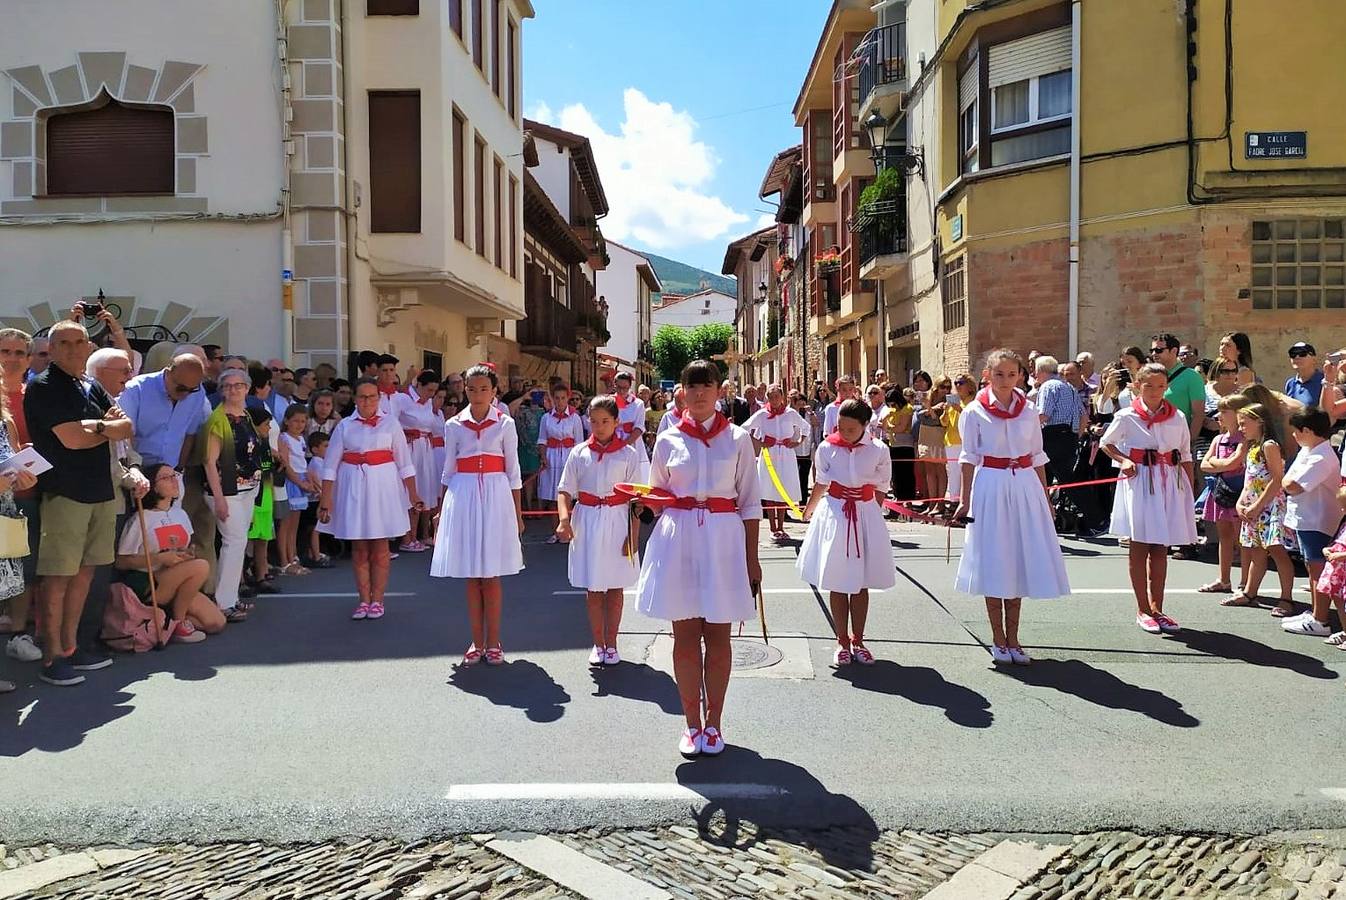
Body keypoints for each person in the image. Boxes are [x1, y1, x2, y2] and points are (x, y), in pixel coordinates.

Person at [635, 359, 761, 757]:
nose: (700, 393)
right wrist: (642, 507)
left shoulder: (739, 439)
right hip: (679, 539)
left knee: (719, 636)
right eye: (693, 387)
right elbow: (656, 493)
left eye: (707, 386)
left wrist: (752, 559)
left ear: (720, 390)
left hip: (724, 539)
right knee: (685, 637)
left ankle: (715, 723)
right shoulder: (668, 439)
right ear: (683, 394)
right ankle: (691, 724)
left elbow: (750, 503)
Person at [24, 321, 134, 685]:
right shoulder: (43, 387)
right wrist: (103, 427)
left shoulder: (91, 384)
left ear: (88, 346)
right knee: (57, 578)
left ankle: (71, 648)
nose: (72, 349)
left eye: (78, 342)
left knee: (86, 573)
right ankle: (53, 656)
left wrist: (96, 427)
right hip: (63, 492)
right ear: (51, 349)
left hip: (101, 491)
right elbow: (70, 440)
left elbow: (126, 427)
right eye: (63, 343)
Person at [951, 348, 1070, 666]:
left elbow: (1037, 457)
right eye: (999, 374)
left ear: (1021, 375)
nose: (1005, 380)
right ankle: (997, 639)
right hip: (990, 485)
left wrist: (1045, 498)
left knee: (1016, 558)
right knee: (995, 559)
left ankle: (1014, 640)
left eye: (1012, 374)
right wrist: (964, 500)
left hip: (1024, 486)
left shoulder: (1029, 411)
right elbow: (968, 458)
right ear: (988, 375)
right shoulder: (974, 412)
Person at [430, 365, 524, 664]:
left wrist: (518, 512)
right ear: (465, 390)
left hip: (495, 496)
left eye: (485, 389)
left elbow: (513, 471)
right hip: (464, 494)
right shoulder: (454, 425)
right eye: (472, 389)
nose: (478, 394)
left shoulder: (505, 423)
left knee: (491, 573)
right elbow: (448, 470)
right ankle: (476, 641)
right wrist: (442, 509)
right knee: (472, 574)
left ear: (494, 391)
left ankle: (494, 641)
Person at [1100, 364, 1197, 635]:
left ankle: (1158, 607)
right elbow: (1106, 444)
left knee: (1160, 547)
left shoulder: (1176, 416)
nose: (1154, 391)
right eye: (1148, 385)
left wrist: (1188, 492)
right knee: (1140, 544)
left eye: (1160, 386)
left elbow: (1185, 454)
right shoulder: (1127, 415)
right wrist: (1124, 461)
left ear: (1167, 387)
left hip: (1169, 484)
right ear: (1137, 386)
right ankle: (1142, 608)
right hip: (1141, 483)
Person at [797, 398, 894, 666]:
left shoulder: (878, 450)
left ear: (865, 425)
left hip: (864, 513)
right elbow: (821, 483)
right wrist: (809, 509)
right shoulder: (827, 448)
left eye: (851, 429)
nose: (845, 433)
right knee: (838, 579)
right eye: (841, 427)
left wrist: (870, 516)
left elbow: (882, 486)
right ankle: (841, 641)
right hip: (836, 514)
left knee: (860, 582)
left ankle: (859, 639)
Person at [318, 379, 422, 620]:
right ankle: (363, 600)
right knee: (360, 546)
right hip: (353, 488)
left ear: (379, 398)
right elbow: (330, 466)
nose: (368, 402)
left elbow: (404, 463)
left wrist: (413, 494)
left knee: (380, 545)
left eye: (372, 396)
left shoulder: (391, 424)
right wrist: (326, 499)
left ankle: (378, 599)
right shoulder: (344, 426)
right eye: (362, 397)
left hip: (383, 489)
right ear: (355, 399)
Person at [554, 396, 643, 667]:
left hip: (618, 521)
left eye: (606, 421)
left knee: (615, 588)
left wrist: (633, 536)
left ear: (616, 422)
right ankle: (598, 643)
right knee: (594, 588)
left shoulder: (629, 454)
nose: (600, 426)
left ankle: (612, 643)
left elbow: (637, 499)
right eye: (594, 421)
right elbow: (565, 489)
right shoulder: (579, 453)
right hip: (588, 521)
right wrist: (564, 519)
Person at [114, 462, 226, 642]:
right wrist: (159, 558)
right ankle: (178, 621)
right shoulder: (141, 518)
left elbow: (186, 551)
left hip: (179, 583)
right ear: (153, 486)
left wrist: (186, 554)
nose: (174, 481)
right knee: (201, 566)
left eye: (174, 476)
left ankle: (166, 623)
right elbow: (121, 562)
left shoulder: (180, 514)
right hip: (149, 581)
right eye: (166, 478)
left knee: (216, 622)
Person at [199, 368, 262, 623]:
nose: (233, 390)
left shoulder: (244, 414)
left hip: (247, 488)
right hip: (227, 491)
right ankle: (224, 602)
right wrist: (220, 498)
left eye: (238, 385)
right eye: (228, 386)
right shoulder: (218, 420)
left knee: (238, 543)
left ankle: (231, 597)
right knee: (233, 543)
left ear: (247, 388)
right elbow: (209, 461)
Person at [1279, 408, 1343, 637]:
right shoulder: (1310, 450)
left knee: (1317, 569)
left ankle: (1320, 619)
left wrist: (1286, 480)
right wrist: (1287, 480)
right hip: (1307, 518)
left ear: (1306, 430)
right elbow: (1289, 480)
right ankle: (1316, 612)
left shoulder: (1321, 456)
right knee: (1311, 566)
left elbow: (1292, 485)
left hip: (1318, 520)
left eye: (1296, 431)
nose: (1294, 436)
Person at [1228, 403, 1295, 615]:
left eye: (1244, 423)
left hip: (1270, 507)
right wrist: (1241, 502)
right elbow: (1250, 482)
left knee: (1277, 551)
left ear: (1260, 421)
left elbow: (1277, 479)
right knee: (1256, 551)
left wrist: (1258, 506)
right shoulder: (1252, 447)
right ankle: (1250, 592)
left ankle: (1286, 598)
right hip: (1254, 508)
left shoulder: (1269, 445)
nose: (1241, 428)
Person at [0, 328, 41, 665]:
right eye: (4, 351)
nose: (11, 359)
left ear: (29, 359)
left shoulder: (37, 396)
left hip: (28, 495)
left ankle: (19, 633)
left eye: (18, 353)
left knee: (21, 569)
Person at [1036, 355, 1105, 536]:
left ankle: (1097, 520)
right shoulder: (1069, 388)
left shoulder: (1048, 386)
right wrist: (1076, 437)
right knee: (1048, 479)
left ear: (1041, 371)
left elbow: (1043, 414)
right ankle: (1043, 521)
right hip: (1068, 436)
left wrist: (1022, 428)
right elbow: (1083, 417)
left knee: (1063, 481)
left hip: (1051, 436)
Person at [1198, 394, 1251, 595]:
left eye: (1225, 412)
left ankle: (1245, 583)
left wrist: (1217, 465)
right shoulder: (1219, 439)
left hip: (1239, 494)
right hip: (1221, 492)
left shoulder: (1245, 439)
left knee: (1242, 539)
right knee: (1225, 537)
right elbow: (1204, 464)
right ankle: (1224, 579)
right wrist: (1221, 465)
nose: (1219, 415)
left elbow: (1233, 464)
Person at [745, 384, 805, 542]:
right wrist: (759, 441)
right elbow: (745, 428)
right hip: (769, 454)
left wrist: (797, 442)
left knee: (784, 488)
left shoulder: (790, 413)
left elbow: (805, 427)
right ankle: (773, 527)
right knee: (769, 488)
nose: (774, 400)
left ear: (782, 397)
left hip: (786, 453)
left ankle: (781, 525)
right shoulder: (762, 414)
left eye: (776, 396)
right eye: (771, 397)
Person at [392, 370, 442, 552]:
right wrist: (402, 437)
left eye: (434, 391)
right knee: (411, 489)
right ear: (418, 385)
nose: (431, 394)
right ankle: (407, 537)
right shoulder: (401, 399)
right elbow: (392, 421)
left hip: (425, 448)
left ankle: (420, 534)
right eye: (429, 390)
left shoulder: (428, 402)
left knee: (425, 488)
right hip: (410, 448)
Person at [537, 383, 584, 541]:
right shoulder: (546, 418)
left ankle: (568, 529)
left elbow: (579, 443)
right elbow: (542, 440)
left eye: (563, 398)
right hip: (552, 457)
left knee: (568, 495)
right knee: (552, 496)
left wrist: (578, 463)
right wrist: (543, 458)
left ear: (567, 398)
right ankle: (555, 532)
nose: (559, 401)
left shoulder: (575, 417)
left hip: (569, 457)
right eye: (556, 398)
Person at [277, 403, 319, 575]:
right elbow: (286, 464)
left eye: (303, 421)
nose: (299, 425)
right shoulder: (284, 438)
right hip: (291, 481)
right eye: (295, 421)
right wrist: (300, 483)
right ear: (287, 421)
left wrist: (311, 480)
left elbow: (303, 462)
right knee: (285, 525)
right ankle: (284, 561)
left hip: (301, 479)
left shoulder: (301, 439)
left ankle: (293, 556)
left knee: (294, 524)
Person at [1318, 486, 1346, 647]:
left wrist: (1339, 556)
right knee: (1338, 599)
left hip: (1342, 566)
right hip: (1338, 571)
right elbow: (1338, 541)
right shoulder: (1343, 522)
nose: (1342, 509)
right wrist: (1328, 549)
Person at [943, 375, 977, 511]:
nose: (957, 386)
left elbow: (972, 420)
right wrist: (945, 412)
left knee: (963, 472)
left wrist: (960, 410)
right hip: (950, 441)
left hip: (963, 441)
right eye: (955, 383)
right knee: (953, 473)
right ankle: (953, 501)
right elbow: (945, 422)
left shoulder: (972, 402)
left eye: (960, 383)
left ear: (969, 386)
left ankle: (962, 501)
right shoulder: (954, 401)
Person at [883, 386, 916, 502]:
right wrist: (888, 425)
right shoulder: (892, 411)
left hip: (905, 445)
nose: (892, 407)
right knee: (895, 473)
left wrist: (890, 428)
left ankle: (907, 498)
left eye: (893, 404)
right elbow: (885, 425)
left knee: (906, 473)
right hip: (893, 444)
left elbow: (902, 427)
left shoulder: (907, 409)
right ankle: (898, 495)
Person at [790, 390, 817, 494]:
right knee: (794, 477)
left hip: (807, 450)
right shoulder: (791, 415)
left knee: (804, 477)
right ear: (795, 403)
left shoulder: (809, 414)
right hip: (794, 450)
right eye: (799, 402)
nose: (801, 405)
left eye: (803, 402)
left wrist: (811, 413)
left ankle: (803, 503)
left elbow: (816, 423)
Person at [1284, 341, 1324, 410]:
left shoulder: (1324, 381)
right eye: (1293, 354)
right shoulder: (1290, 384)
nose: (1297, 357)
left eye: (1302, 354)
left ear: (1314, 359)